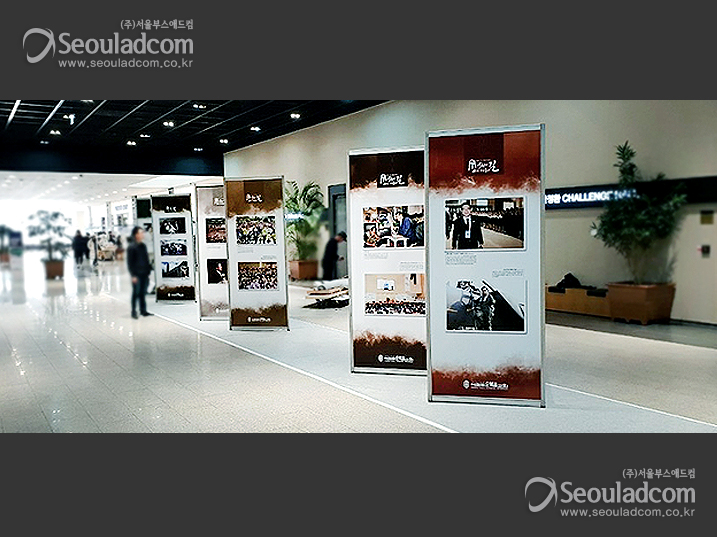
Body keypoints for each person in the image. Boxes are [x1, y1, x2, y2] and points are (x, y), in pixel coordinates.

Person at [126, 226, 153, 319]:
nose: (142, 234)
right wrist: (133, 275)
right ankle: (134, 311)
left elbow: (146, 259)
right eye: (141, 233)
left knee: (143, 293)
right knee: (136, 293)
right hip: (137, 274)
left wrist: (148, 270)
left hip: (144, 273)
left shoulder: (143, 246)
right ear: (136, 234)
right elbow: (130, 262)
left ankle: (143, 310)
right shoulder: (132, 247)